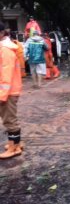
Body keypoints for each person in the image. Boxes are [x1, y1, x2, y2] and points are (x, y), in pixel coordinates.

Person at [0, 22, 23, 159]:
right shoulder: (5, 48)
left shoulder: (5, 50)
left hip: (7, 92)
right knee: (10, 119)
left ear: (2, 33)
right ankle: (16, 144)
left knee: (9, 121)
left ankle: (14, 148)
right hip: (9, 91)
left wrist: (2, 95)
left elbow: (6, 75)